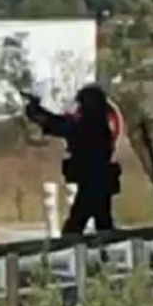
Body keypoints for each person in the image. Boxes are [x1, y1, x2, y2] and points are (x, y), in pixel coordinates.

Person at [25, 85, 120, 234]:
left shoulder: (90, 123)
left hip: (92, 179)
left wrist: (36, 112)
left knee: (76, 225)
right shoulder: (98, 122)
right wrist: (39, 112)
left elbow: (63, 126)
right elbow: (62, 124)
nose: (78, 108)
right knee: (102, 221)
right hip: (98, 179)